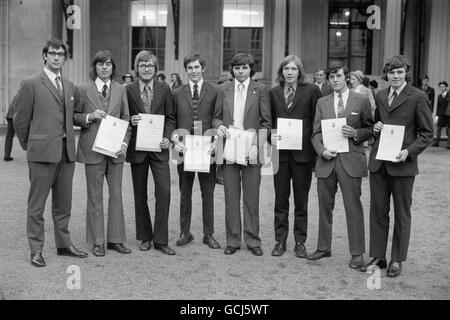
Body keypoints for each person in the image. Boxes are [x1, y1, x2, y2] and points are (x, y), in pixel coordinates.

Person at [13, 38, 88, 267]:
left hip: (66, 154)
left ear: (65, 58)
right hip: (41, 154)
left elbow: (72, 116)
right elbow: (20, 119)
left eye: (60, 54)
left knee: (63, 204)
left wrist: (88, 118)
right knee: (37, 205)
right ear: (45, 55)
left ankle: (63, 244)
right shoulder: (31, 83)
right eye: (52, 53)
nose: (56, 57)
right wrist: (31, 145)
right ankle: (36, 249)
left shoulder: (69, 85)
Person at [362, 56, 433, 277]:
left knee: (402, 213)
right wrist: (376, 127)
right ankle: (378, 256)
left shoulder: (419, 97)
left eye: (400, 72)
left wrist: (409, 152)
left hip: (403, 164)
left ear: (406, 74)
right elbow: (374, 123)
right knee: (378, 211)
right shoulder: (381, 95)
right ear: (386, 75)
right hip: (379, 163)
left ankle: (397, 259)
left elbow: (427, 133)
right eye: (392, 73)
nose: (395, 76)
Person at [308, 63, 373, 270]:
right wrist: (321, 151)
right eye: (331, 77)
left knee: (353, 207)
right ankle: (323, 247)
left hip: (351, 160)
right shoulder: (322, 102)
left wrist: (357, 134)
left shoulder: (361, 100)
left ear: (347, 77)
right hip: (327, 160)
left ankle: (357, 253)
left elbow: (370, 128)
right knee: (324, 207)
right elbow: (316, 132)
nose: (335, 80)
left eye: (338, 76)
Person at [73, 50, 131, 257]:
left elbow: (126, 120)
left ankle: (116, 239)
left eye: (108, 64)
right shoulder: (83, 89)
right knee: (95, 196)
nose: (104, 67)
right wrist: (89, 116)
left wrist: (124, 144)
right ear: (94, 67)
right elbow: (74, 116)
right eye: (100, 64)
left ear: (113, 68)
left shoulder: (120, 89)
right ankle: (97, 240)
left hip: (115, 151)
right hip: (93, 150)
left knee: (116, 195)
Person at [213, 53, 271, 256]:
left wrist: (258, 144)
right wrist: (219, 126)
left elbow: (266, 122)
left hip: (251, 147)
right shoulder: (223, 89)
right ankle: (233, 240)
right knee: (231, 197)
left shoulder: (261, 90)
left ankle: (253, 241)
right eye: (237, 68)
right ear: (233, 70)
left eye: (244, 67)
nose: (240, 71)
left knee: (251, 198)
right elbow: (216, 117)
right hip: (229, 147)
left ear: (251, 70)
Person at [269, 55, 321, 258]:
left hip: (303, 156)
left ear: (300, 72)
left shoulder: (311, 91)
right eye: (286, 69)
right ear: (281, 72)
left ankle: (300, 242)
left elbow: (317, 120)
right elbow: (269, 120)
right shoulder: (273, 93)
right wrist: (270, 137)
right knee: (280, 200)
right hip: (280, 154)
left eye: (293, 69)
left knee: (301, 200)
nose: (290, 72)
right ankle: (279, 241)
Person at [126, 51, 176, 255]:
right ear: (137, 68)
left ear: (156, 69)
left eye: (150, 66)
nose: (146, 69)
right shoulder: (127, 90)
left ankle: (161, 239)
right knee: (140, 194)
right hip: (138, 149)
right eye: (143, 65)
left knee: (164, 192)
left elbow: (171, 117)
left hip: (159, 149)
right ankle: (145, 236)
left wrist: (167, 137)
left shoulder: (165, 89)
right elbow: (122, 115)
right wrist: (131, 120)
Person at [171, 53, 221, 249]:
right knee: (185, 192)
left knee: (207, 194)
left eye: (196, 67)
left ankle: (208, 234)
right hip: (183, 148)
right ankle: (185, 231)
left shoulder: (215, 91)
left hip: (207, 148)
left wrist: (216, 139)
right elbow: (172, 119)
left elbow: (218, 116)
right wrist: (175, 139)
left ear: (203, 69)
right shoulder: (176, 92)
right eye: (190, 68)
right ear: (186, 70)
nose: (193, 71)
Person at [432, 81, 450, 148]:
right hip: (441, 114)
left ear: (446, 87)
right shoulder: (439, 96)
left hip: (448, 115)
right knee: (439, 128)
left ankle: (449, 144)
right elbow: (438, 106)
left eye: (443, 87)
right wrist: (436, 115)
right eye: (441, 87)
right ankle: (437, 142)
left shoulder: (449, 94)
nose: (442, 88)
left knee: (448, 129)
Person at [3, 94, 17, 161]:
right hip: (15, 116)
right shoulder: (25, 94)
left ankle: (6, 156)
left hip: (10, 115)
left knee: (9, 136)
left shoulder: (18, 94)